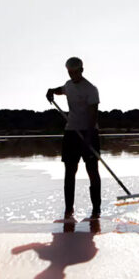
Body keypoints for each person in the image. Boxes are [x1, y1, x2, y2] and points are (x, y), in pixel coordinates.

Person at [46, 57, 101, 219]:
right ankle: (68, 209)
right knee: (70, 171)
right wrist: (51, 91)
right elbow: (61, 90)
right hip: (71, 132)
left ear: (82, 70)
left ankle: (96, 210)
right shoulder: (68, 86)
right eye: (70, 73)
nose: (72, 75)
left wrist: (89, 137)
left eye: (75, 72)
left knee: (92, 171)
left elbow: (93, 115)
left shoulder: (91, 89)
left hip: (88, 132)